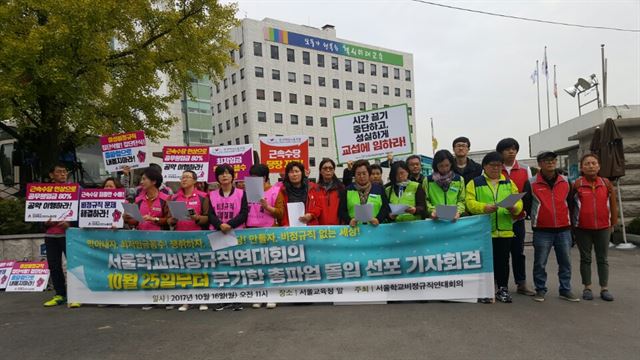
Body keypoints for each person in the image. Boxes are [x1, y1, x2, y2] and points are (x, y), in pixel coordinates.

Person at [466, 152, 523, 303]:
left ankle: (502, 288)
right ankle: (485, 290)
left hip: (504, 230)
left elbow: (518, 202)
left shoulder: (508, 183)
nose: (496, 168)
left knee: (503, 261)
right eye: (492, 165)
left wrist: (514, 208)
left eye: (499, 165)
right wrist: (484, 207)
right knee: (485, 261)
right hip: (484, 231)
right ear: (485, 166)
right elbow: (469, 202)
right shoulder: (475, 183)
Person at [523, 151, 579, 303]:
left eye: (553, 160)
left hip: (563, 228)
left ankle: (565, 289)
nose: (550, 162)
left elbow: (571, 204)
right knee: (540, 262)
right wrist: (537, 218)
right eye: (546, 160)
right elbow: (527, 206)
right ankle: (540, 289)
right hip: (542, 230)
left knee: (565, 262)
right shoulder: (531, 183)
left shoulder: (566, 181)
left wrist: (571, 225)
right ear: (540, 164)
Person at [573, 153, 618, 302]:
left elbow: (612, 204)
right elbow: (571, 206)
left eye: (593, 163)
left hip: (603, 227)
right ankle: (587, 287)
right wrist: (572, 225)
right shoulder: (577, 184)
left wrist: (613, 223)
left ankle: (604, 288)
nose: (591, 166)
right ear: (582, 167)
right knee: (585, 258)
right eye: (587, 164)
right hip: (582, 228)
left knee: (602, 258)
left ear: (598, 166)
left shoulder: (606, 183)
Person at [123, 167, 170, 311]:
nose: (141, 182)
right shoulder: (137, 200)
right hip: (142, 240)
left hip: (161, 239)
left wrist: (154, 219)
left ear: (154, 181)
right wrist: (127, 219)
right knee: (147, 270)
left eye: (144, 179)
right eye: (141, 179)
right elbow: (135, 222)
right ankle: (150, 298)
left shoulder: (166, 199)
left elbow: (169, 220)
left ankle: (165, 298)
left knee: (162, 269)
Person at [167, 170, 210, 312]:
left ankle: (203, 298)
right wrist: (172, 220)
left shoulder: (203, 197)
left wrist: (197, 218)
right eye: (183, 177)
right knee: (185, 269)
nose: (184, 179)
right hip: (180, 238)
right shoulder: (174, 198)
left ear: (195, 181)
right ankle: (187, 299)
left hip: (198, 238)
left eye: (187, 177)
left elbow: (207, 218)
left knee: (200, 269)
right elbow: (169, 219)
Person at [496, 138, 535, 296]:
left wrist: (524, 211)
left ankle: (521, 283)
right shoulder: (494, 168)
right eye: (507, 149)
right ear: (501, 152)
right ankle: (500, 285)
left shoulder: (525, 170)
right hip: (499, 218)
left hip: (517, 218)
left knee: (518, 252)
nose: (511, 152)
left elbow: (530, 194)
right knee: (501, 254)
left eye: (514, 149)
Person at [208, 164, 249, 312]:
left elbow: (244, 213)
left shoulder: (241, 193)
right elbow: (210, 214)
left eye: (227, 173)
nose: (224, 176)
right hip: (218, 234)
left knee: (236, 266)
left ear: (233, 176)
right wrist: (220, 225)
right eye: (221, 174)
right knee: (220, 267)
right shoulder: (212, 194)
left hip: (235, 233)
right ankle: (222, 299)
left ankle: (237, 299)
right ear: (217, 178)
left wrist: (230, 224)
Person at [42, 163, 80, 308]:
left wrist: (70, 224)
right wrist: (45, 222)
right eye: (59, 172)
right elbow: (37, 211)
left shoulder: (76, 190)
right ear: (51, 175)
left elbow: (83, 208)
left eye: (65, 172)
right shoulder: (43, 191)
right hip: (51, 235)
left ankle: (76, 295)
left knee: (73, 265)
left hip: (68, 234)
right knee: (54, 266)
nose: (63, 174)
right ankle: (60, 294)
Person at [245, 164, 280, 310]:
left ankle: (272, 295)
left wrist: (267, 207)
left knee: (270, 265)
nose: (252, 180)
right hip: (251, 231)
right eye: (251, 177)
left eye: (256, 177)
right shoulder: (245, 192)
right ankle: (259, 295)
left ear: (264, 177)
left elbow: (280, 213)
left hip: (269, 231)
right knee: (256, 266)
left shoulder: (275, 191)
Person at [339, 160, 391, 227]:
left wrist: (378, 219)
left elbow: (385, 208)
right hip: (355, 229)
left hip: (374, 229)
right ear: (354, 175)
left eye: (364, 173)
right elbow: (341, 211)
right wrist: (349, 220)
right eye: (358, 174)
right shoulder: (347, 190)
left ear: (369, 173)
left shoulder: (379, 189)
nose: (361, 176)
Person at [273, 161, 322, 227]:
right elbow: (280, 210)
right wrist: (284, 223)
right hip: (288, 228)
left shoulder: (312, 187)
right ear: (287, 174)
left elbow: (319, 206)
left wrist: (311, 215)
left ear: (302, 173)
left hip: (309, 227)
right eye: (291, 172)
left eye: (297, 171)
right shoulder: (281, 190)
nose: (294, 174)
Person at [426, 150, 466, 221]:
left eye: (447, 165)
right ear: (436, 165)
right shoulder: (428, 180)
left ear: (451, 164)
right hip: (435, 219)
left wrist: (458, 212)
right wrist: (432, 211)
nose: (444, 169)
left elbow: (462, 200)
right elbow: (426, 200)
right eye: (441, 166)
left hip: (454, 218)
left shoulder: (459, 179)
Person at [316, 159, 345, 225]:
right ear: (320, 171)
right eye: (325, 168)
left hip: (338, 229)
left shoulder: (341, 188)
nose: (328, 170)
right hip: (319, 229)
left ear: (334, 170)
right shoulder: (316, 189)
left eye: (331, 168)